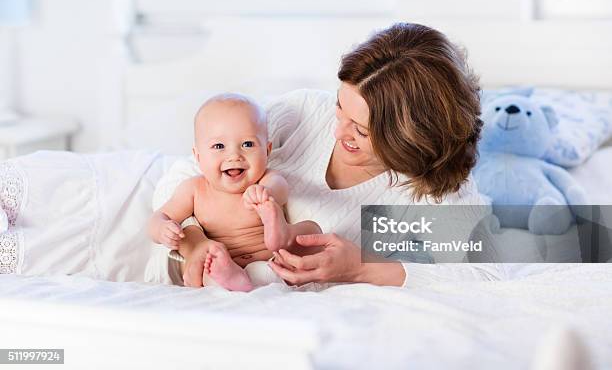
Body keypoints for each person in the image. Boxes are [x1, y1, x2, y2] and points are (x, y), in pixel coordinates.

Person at [152, 22, 499, 289]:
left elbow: (485, 272)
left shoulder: (429, 190)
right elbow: (183, 175)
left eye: (361, 131)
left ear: (409, 139)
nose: (337, 132)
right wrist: (194, 241)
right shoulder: (302, 113)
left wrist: (362, 267)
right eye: (339, 108)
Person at [147, 94, 321, 290]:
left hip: (273, 258)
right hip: (224, 260)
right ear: (198, 156)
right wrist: (162, 228)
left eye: (247, 144)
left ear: (267, 150)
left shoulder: (266, 179)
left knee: (311, 230)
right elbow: (158, 217)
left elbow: (280, 189)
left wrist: (265, 194)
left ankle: (277, 240)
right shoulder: (194, 189)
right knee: (207, 266)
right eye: (219, 146)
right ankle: (231, 277)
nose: (234, 155)